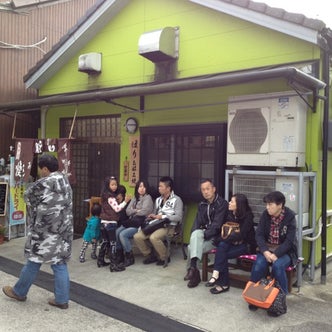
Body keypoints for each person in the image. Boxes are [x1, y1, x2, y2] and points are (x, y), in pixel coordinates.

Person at [2, 154, 73, 309]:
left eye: (40, 169)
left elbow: (28, 197)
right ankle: (62, 299)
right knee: (59, 263)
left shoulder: (44, 183)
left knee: (34, 260)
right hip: (63, 230)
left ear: (45, 169)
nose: (40, 172)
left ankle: (19, 292)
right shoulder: (65, 180)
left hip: (45, 231)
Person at [249, 191, 298, 305]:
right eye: (267, 204)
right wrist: (265, 251)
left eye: (270, 204)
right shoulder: (265, 215)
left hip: (285, 251)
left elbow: (289, 241)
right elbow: (259, 234)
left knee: (278, 265)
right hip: (267, 248)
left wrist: (276, 255)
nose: (267, 207)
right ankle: (254, 297)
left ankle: (281, 298)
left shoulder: (290, 217)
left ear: (280, 205)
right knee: (259, 265)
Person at [207, 193, 257, 294]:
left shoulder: (248, 216)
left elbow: (241, 235)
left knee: (221, 253)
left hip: (245, 245)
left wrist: (223, 239)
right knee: (222, 247)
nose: (229, 203)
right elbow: (224, 230)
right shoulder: (229, 214)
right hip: (231, 243)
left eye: (232, 201)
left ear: (239, 204)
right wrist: (223, 239)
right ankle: (219, 278)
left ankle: (221, 281)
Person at [184, 179, 228, 288]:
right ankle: (195, 272)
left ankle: (193, 270)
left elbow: (217, 226)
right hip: (203, 235)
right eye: (203, 190)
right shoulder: (202, 204)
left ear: (214, 189)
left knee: (191, 247)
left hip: (215, 238)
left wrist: (202, 235)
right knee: (195, 234)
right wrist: (195, 235)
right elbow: (197, 222)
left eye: (208, 189)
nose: (205, 192)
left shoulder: (221, 204)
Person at [134, 176, 183, 266]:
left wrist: (162, 216)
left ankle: (165, 257)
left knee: (154, 237)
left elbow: (179, 217)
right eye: (158, 186)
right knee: (137, 237)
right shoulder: (158, 199)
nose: (159, 188)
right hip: (155, 224)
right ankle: (149, 254)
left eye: (161, 186)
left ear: (168, 188)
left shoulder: (177, 200)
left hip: (168, 226)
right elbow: (155, 213)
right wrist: (152, 216)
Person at [116, 179, 154, 267]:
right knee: (117, 232)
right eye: (140, 186)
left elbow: (145, 212)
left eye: (144, 187)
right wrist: (137, 210)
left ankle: (129, 257)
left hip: (139, 224)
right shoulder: (135, 197)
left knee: (123, 234)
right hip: (131, 222)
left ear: (147, 188)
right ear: (137, 188)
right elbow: (127, 211)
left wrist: (134, 210)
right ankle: (120, 255)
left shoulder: (148, 198)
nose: (142, 189)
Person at [97, 176, 131, 272]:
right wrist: (125, 201)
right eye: (112, 184)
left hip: (103, 222)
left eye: (115, 184)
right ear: (108, 185)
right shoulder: (110, 197)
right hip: (111, 223)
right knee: (113, 243)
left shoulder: (104, 195)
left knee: (105, 242)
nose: (114, 186)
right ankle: (113, 265)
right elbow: (117, 209)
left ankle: (100, 261)